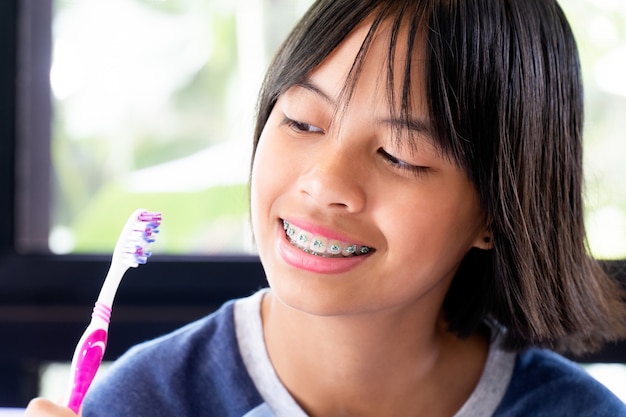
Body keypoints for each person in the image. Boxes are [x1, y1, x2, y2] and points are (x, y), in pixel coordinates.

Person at [25, 0, 626, 416]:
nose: (324, 182)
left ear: (496, 212)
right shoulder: (149, 402)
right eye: (302, 121)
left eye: (399, 154)